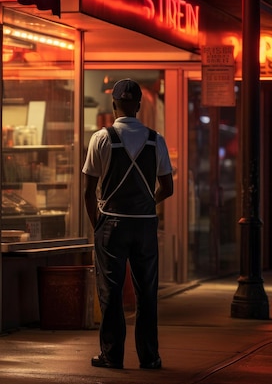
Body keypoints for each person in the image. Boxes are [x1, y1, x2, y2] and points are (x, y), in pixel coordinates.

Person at [82, 78, 174, 370]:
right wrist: (148, 203)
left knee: (110, 291)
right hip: (145, 225)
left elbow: (88, 189)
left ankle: (112, 355)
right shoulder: (155, 139)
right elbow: (168, 187)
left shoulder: (101, 138)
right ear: (139, 104)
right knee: (147, 291)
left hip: (112, 223)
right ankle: (150, 357)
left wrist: (97, 222)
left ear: (114, 104)